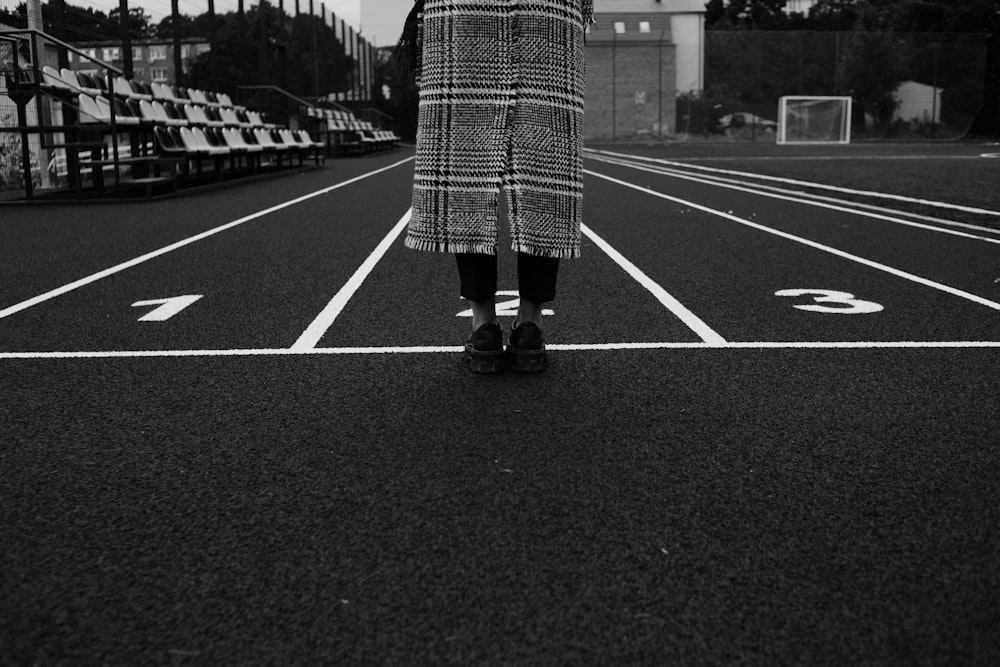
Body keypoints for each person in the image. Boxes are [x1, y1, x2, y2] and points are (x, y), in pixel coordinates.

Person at [403, 0, 593, 374]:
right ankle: (529, 327)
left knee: (465, 181)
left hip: (464, 13)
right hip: (547, 11)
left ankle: (484, 326)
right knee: (546, 179)